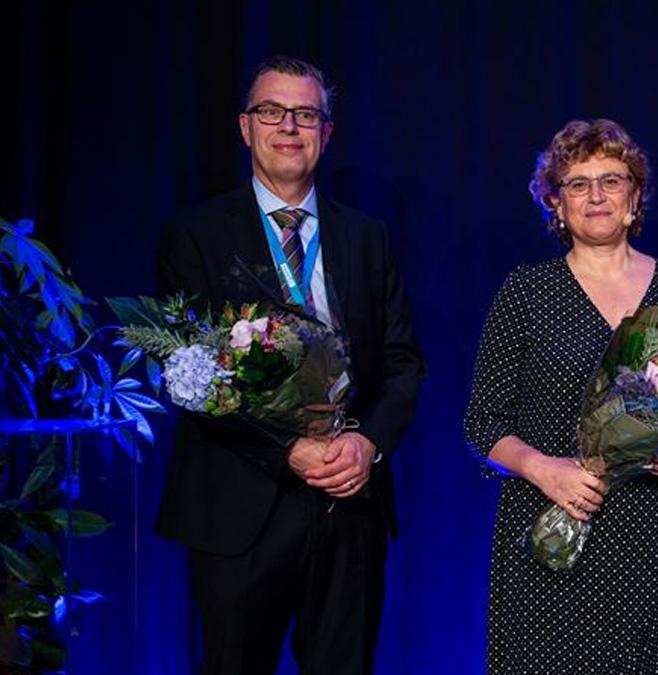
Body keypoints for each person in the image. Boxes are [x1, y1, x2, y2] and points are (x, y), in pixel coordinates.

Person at [157, 56, 424, 674]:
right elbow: (188, 371)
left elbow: (404, 363)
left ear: (326, 134)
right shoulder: (194, 234)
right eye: (271, 112)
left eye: (305, 114)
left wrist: (367, 447)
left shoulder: (367, 237)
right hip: (239, 503)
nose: (288, 127)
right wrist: (287, 449)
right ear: (245, 127)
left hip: (348, 502)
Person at [464, 119, 658, 674]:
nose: (596, 196)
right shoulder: (525, 292)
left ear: (635, 195)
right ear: (555, 201)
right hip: (553, 533)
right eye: (577, 183)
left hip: (649, 533)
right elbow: (482, 425)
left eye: (612, 180)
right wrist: (546, 470)